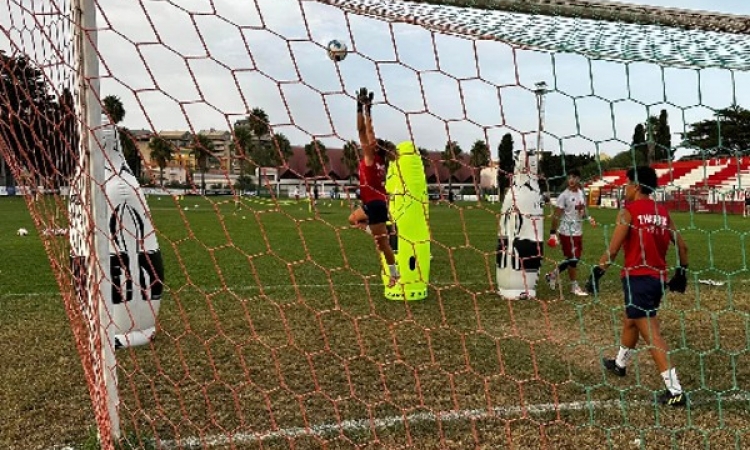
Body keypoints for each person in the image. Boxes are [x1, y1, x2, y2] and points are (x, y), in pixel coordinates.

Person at [587, 166, 689, 407]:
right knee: (631, 320)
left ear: (636, 186)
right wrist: (682, 272)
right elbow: (682, 246)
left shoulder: (628, 212)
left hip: (637, 279)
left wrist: (597, 272)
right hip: (657, 280)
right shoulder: (663, 212)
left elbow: (613, 249)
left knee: (651, 334)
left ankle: (675, 391)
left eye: (628, 183)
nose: (625, 187)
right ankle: (620, 364)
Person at [347, 87, 400, 287]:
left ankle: (394, 274)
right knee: (353, 219)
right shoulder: (379, 160)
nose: (371, 139)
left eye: (374, 141)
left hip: (376, 205)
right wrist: (368, 109)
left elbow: (362, 131)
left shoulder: (370, 157)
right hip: (373, 203)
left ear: (375, 147)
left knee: (383, 245)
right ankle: (384, 230)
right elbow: (369, 130)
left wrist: (358, 106)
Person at [545, 169, 596, 296]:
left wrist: (589, 217)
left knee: (573, 259)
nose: (571, 180)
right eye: (569, 177)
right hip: (566, 232)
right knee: (573, 260)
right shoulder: (563, 196)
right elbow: (556, 215)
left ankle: (552, 275)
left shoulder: (581, 193)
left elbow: (582, 210)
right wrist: (552, 233)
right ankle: (574, 286)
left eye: (574, 177)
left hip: (578, 232)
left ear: (579, 179)